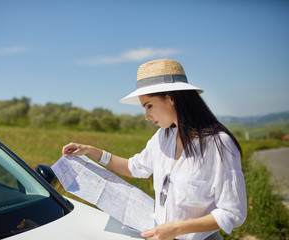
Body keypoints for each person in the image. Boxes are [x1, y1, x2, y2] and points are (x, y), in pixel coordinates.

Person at [62, 59, 247, 240]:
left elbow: (233, 212)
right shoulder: (162, 137)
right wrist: (91, 150)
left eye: (149, 106)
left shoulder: (218, 144)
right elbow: (134, 167)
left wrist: (175, 229)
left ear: (171, 98)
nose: (146, 116)